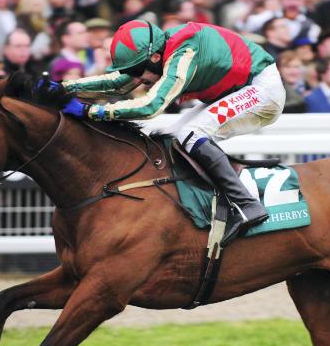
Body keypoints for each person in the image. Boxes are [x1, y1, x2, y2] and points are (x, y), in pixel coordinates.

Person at [58, 20, 286, 244]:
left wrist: (92, 111)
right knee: (171, 139)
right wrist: (63, 87)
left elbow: (150, 107)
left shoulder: (183, 54)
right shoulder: (160, 52)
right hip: (236, 89)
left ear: (155, 58)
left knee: (191, 134)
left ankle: (246, 204)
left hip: (262, 89)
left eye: (136, 70)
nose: (137, 79)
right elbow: (119, 83)